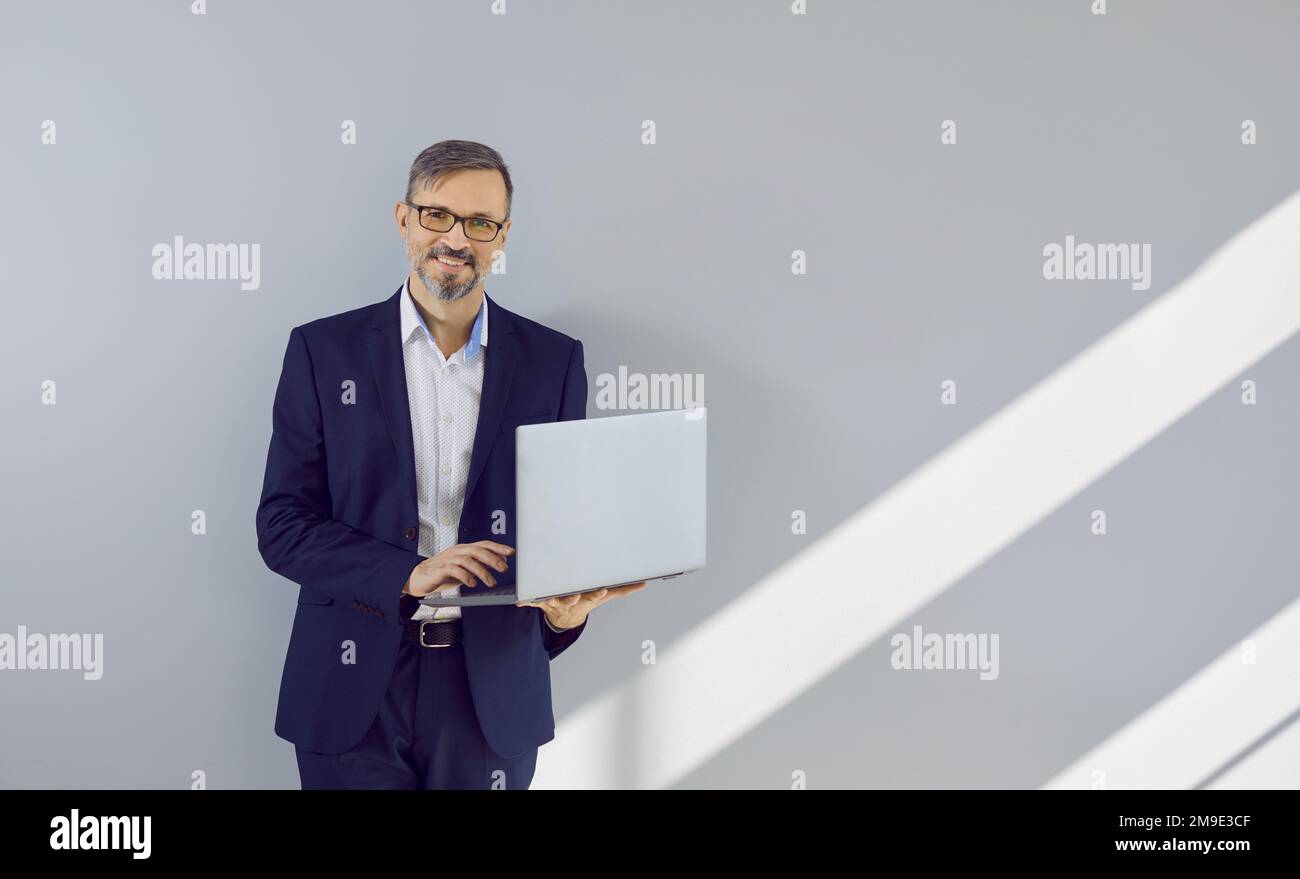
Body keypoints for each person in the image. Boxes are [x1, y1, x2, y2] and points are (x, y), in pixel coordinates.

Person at [255, 139, 645, 789]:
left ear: (502, 237)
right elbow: (284, 525)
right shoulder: (323, 352)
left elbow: (554, 534)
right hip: (351, 691)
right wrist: (409, 574)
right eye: (438, 215)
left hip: (491, 695)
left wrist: (563, 615)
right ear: (404, 219)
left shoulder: (555, 364)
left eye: (480, 223)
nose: (456, 239)